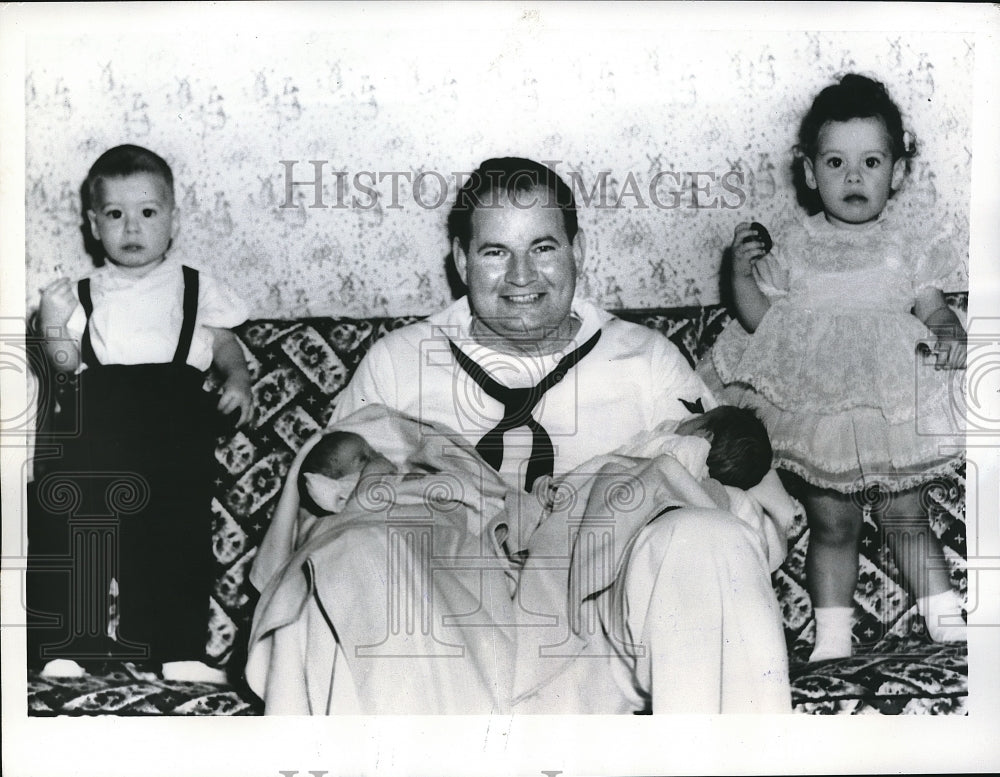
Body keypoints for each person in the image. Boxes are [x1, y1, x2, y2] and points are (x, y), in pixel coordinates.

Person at [248, 157, 792, 713]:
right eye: (495, 252)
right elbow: (327, 490)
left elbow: (732, 472)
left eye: (543, 247)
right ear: (461, 261)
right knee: (346, 555)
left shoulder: (646, 359)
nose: (522, 276)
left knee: (708, 537)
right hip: (434, 631)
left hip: (600, 632)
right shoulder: (399, 361)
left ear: (578, 251)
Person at [697, 74, 967, 662]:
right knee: (833, 521)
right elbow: (759, 321)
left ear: (895, 173)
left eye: (870, 161)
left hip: (890, 402)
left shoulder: (906, 244)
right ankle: (833, 639)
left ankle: (949, 623)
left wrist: (948, 332)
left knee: (906, 514)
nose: (853, 176)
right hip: (817, 404)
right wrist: (742, 275)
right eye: (836, 162)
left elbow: (933, 308)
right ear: (809, 171)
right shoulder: (795, 246)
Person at [28, 144, 253, 683]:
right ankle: (66, 646)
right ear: (93, 224)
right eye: (115, 214)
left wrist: (238, 380)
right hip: (95, 425)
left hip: (175, 429)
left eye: (148, 212)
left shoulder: (195, 285)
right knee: (77, 527)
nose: (132, 227)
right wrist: (55, 325)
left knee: (177, 536)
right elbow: (64, 368)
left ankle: (175, 648)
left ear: (172, 219)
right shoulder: (82, 293)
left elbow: (224, 344)